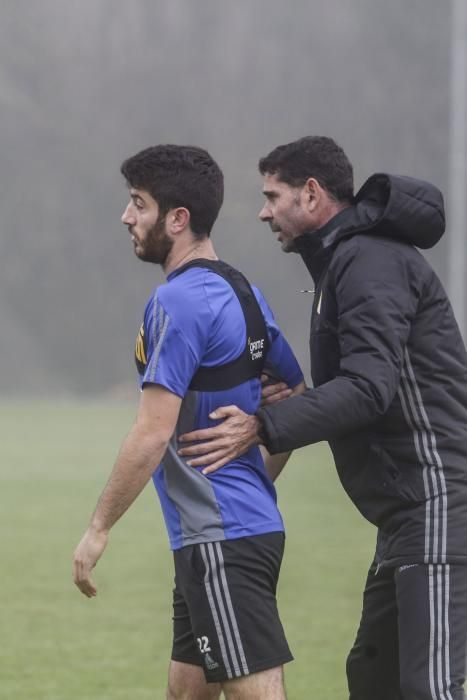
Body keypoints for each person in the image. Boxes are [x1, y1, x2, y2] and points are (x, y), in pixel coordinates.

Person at [177, 136, 467, 700]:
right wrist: (296, 399)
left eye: (272, 196)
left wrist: (261, 425)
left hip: (438, 499)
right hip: (404, 512)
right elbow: (365, 382)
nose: (263, 211)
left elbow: (369, 389)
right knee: (373, 675)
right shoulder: (344, 261)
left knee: (427, 686)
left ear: (311, 195)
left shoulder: (369, 260)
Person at [72, 144, 305, 700]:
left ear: (178, 219)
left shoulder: (176, 301)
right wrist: (253, 473)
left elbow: (152, 431)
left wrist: (98, 528)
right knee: (186, 690)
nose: (127, 217)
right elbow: (293, 394)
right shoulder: (243, 290)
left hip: (221, 538)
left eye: (138, 204)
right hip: (229, 531)